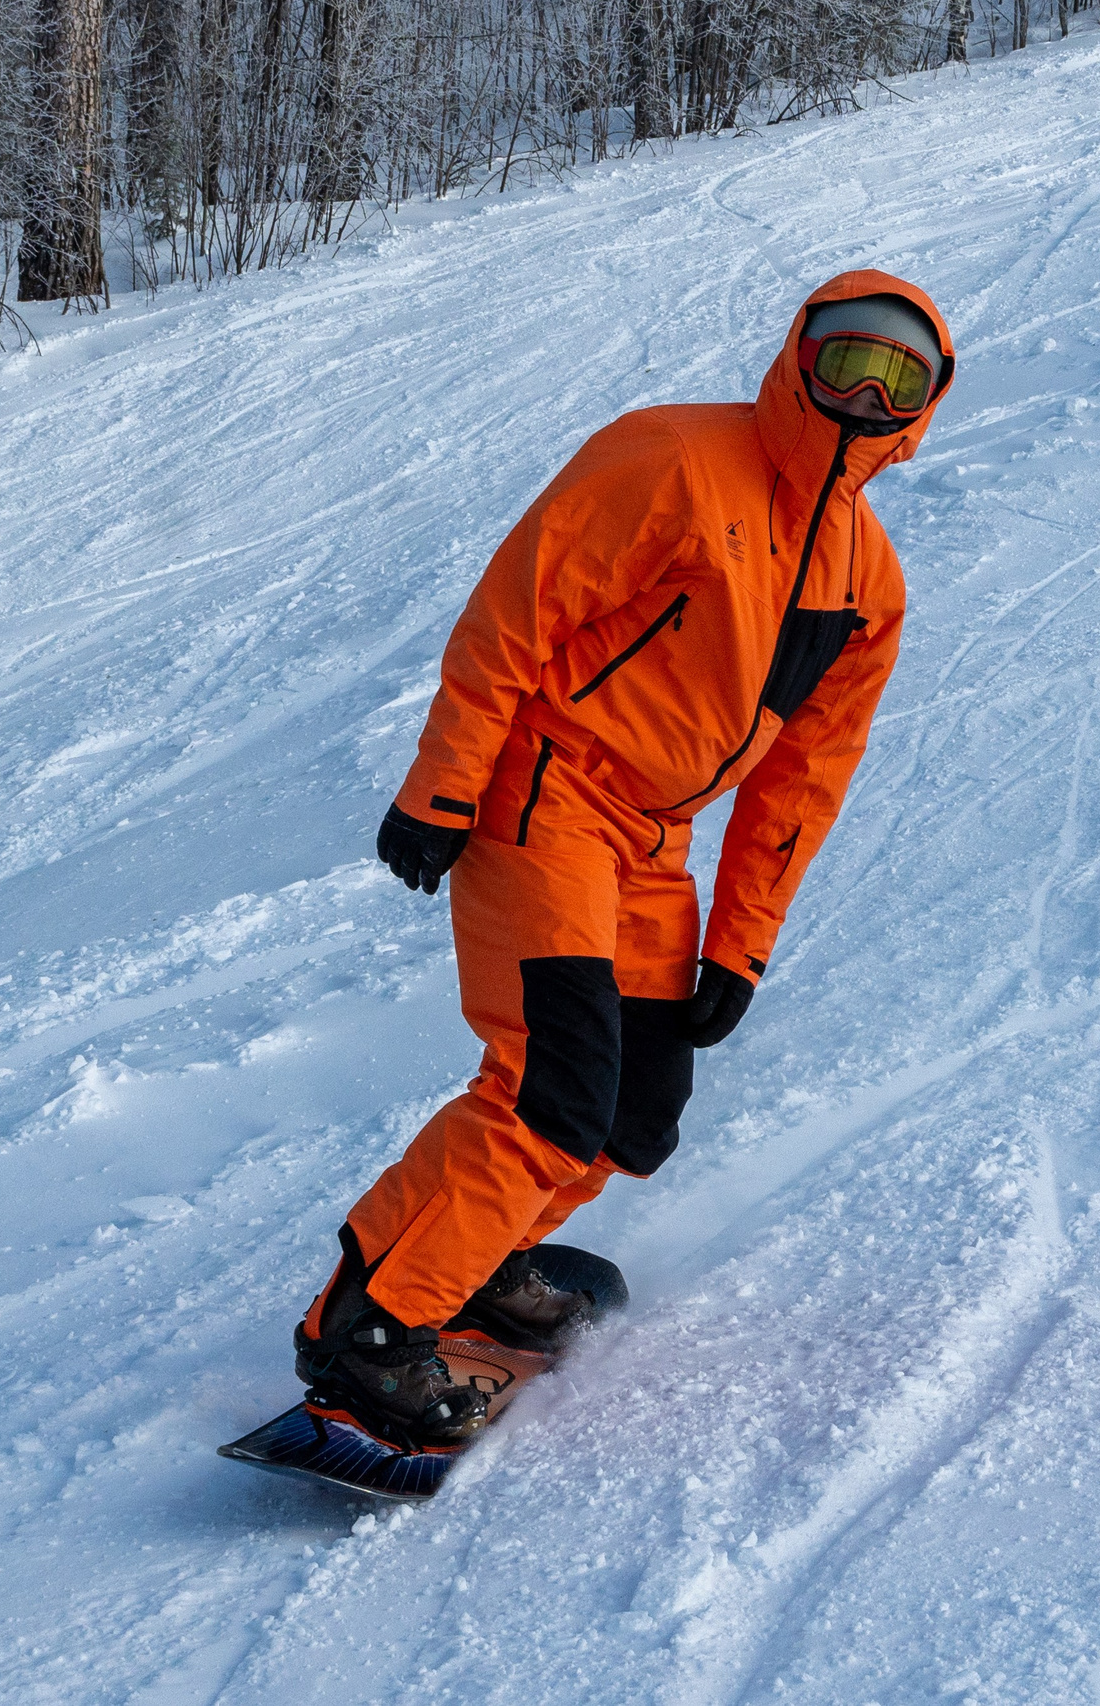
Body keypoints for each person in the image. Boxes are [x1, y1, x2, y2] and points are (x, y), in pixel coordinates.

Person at [296, 270, 957, 1446]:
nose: (863, 392)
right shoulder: (674, 459)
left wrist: (740, 946)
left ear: (924, 404)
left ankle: (480, 1257)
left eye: (894, 377)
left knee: (635, 1109)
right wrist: (443, 785)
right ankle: (375, 1329)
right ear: (798, 354)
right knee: (551, 1088)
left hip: (654, 838)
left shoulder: (870, 583)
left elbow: (802, 780)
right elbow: (515, 614)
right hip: (546, 792)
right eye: (845, 357)